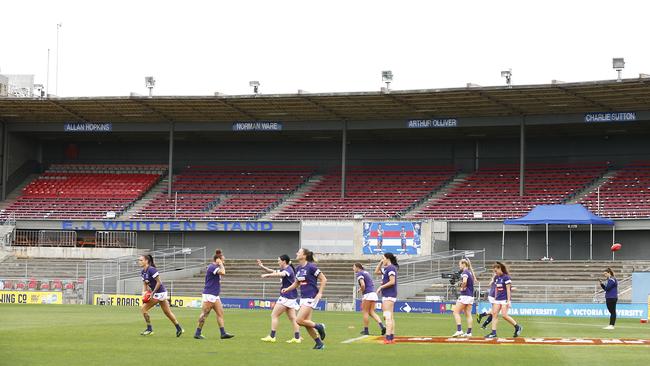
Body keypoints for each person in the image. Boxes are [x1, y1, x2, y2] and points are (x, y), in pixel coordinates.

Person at [281, 248, 327, 350]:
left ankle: (320, 326)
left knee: (299, 320)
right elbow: (296, 283)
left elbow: (324, 279)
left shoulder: (311, 267)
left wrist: (320, 293)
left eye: (299, 252)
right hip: (303, 297)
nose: (296, 253)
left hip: (311, 296)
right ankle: (319, 343)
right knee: (306, 323)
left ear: (304, 256)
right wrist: (287, 289)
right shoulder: (298, 268)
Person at [258, 255, 302, 343]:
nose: (277, 262)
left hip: (286, 296)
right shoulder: (285, 268)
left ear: (284, 261)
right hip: (291, 297)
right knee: (293, 318)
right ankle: (297, 338)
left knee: (274, 315)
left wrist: (268, 275)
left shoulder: (288, 270)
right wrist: (262, 267)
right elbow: (274, 271)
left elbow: (281, 274)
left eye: (279, 260)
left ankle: (272, 336)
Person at [138, 254, 183, 337]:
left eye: (141, 260)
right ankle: (179, 328)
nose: (139, 262)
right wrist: (143, 293)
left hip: (160, 293)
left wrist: (152, 293)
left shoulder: (152, 270)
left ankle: (149, 329)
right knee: (167, 312)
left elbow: (159, 282)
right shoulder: (143, 272)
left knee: (143, 309)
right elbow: (145, 284)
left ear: (146, 261)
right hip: (158, 293)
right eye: (139, 260)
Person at [194, 249, 234, 340]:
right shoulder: (212, 267)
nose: (223, 261)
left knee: (220, 313)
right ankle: (197, 332)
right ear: (218, 260)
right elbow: (223, 272)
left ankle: (223, 333)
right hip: (209, 294)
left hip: (215, 295)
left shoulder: (214, 267)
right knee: (205, 314)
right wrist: (221, 264)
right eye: (222, 260)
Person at [484, 262, 522, 339]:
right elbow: (496, 289)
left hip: (504, 299)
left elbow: (508, 290)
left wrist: (509, 301)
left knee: (504, 315)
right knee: (494, 314)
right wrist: (495, 298)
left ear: (500, 269)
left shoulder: (506, 277)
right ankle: (493, 333)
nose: (495, 272)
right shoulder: (496, 278)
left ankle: (517, 327)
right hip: (497, 299)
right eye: (494, 271)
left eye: (496, 271)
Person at [353, 263, 386, 336]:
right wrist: (360, 289)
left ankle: (366, 330)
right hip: (373, 294)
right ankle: (382, 326)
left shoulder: (360, 273)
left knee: (365, 312)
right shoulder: (366, 272)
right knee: (371, 312)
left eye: (354, 267)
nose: (353, 269)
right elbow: (368, 283)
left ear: (357, 267)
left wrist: (362, 290)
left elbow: (363, 285)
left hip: (368, 295)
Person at [375, 253, 398, 344]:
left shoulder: (391, 268)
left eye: (383, 258)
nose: (382, 260)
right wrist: (381, 262)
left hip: (389, 295)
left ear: (388, 259)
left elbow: (392, 281)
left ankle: (388, 338)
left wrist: (381, 287)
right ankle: (391, 337)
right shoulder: (387, 268)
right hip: (388, 295)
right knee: (390, 317)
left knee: (387, 317)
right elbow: (376, 272)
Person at [451, 258, 476, 338]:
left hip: (465, 295)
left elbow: (464, 282)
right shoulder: (470, 272)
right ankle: (469, 332)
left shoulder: (465, 272)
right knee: (468, 314)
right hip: (470, 296)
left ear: (463, 264)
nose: (459, 266)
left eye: (460, 264)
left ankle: (459, 330)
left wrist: (461, 286)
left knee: (455, 312)